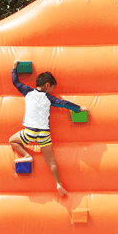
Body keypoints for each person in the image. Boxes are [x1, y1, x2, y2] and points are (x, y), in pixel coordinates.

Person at [9, 61, 86, 196]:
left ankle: (27, 155)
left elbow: (15, 82)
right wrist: (78, 108)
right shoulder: (49, 98)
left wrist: (14, 68)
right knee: (51, 161)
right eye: (52, 88)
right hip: (44, 133)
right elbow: (64, 104)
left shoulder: (27, 91)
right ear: (47, 85)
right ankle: (58, 184)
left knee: (12, 140)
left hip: (30, 131)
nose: (53, 91)